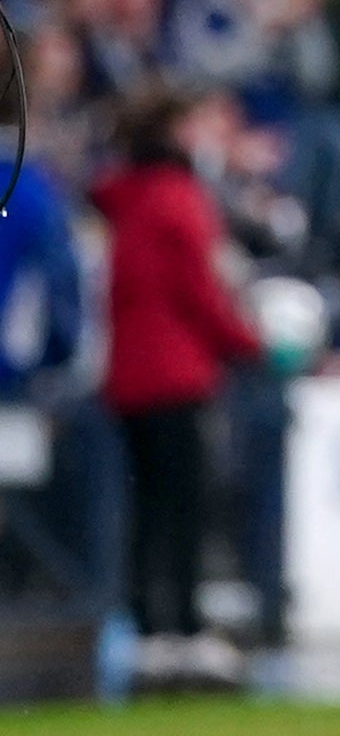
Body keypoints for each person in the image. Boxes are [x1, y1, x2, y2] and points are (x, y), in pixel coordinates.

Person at [92, 86, 262, 692]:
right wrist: (252, 344)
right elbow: (200, 294)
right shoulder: (179, 199)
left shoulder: (124, 198)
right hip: (177, 373)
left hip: (127, 377)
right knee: (185, 506)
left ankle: (146, 629)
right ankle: (184, 631)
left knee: (145, 507)